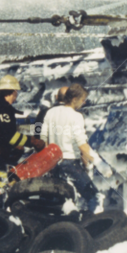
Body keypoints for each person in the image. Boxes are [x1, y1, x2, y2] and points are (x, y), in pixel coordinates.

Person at [0, 75, 45, 204]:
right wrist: (32, 141)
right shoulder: (2, 109)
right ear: (13, 91)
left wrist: (13, 148)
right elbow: (10, 136)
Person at [42, 84, 104, 214]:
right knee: (94, 197)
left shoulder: (50, 112)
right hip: (70, 163)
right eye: (83, 100)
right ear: (75, 98)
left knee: (64, 200)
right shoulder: (76, 116)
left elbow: (43, 138)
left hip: (53, 164)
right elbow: (82, 145)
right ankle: (98, 229)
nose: (84, 102)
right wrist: (99, 163)